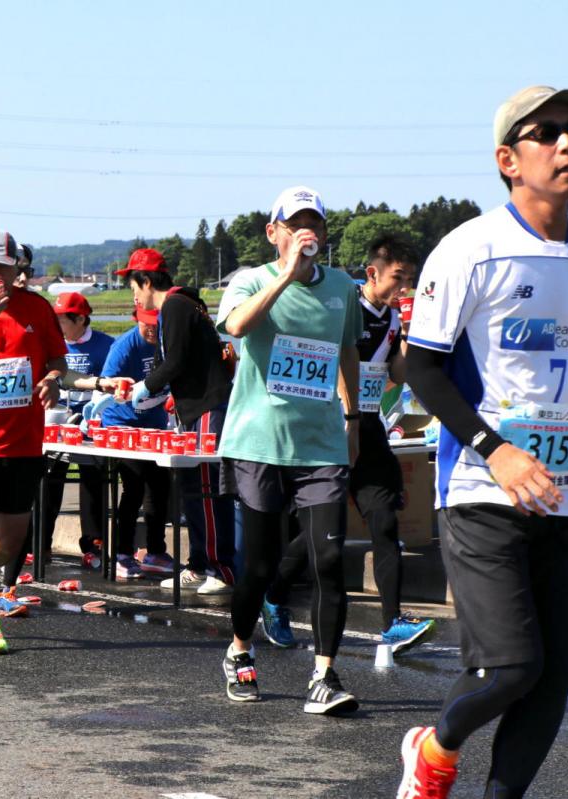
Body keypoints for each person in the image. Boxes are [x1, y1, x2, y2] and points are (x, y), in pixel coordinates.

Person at [396, 85, 568, 799]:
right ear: (507, 158)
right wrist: (496, 448)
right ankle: (433, 745)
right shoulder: (470, 249)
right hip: (481, 486)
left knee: (553, 675)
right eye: (546, 131)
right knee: (511, 667)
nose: (567, 143)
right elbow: (420, 366)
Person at [215, 186, 363, 715]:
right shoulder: (251, 280)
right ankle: (238, 650)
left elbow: (348, 349)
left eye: (314, 225)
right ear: (273, 232)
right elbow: (235, 327)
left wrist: (353, 417)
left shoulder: (343, 287)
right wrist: (285, 277)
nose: (307, 233)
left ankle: (323, 674)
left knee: (327, 558)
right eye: (294, 224)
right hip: (259, 440)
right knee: (257, 565)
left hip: (320, 442)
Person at [0, 228, 116, 654]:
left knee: (12, 539)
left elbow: (56, 358)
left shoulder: (35, 307)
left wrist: (54, 378)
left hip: (23, 438)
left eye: (5, 265)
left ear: (18, 265)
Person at [262, 235, 436, 654]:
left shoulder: (393, 318)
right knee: (322, 532)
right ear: (373, 272)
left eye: (410, 280)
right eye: (399, 278)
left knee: (385, 522)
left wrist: (411, 335)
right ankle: (273, 596)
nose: (404, 288)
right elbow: (340, 362)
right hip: (336, 425)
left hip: (371, 425)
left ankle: (393, 622)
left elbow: (395, 374)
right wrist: (349, 417)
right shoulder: (346, 306)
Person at [122, 247, 237, 595]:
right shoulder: (184, 304)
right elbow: (182, 362)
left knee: (206, 490)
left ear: (145, 281)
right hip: (194, 406)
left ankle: (223, 567)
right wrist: (158, 391)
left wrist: (146, 387)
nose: (136, 296)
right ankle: (200, 564)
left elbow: (175, 362)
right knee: (191, 490)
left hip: (206, 407)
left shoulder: (174, 305)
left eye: (134, 288)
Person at [98, 306, 175, 579]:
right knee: (133, 486)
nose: (152, 330)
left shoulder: (168, 344)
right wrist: (122, 388)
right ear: (137, 321)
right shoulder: (125, 345)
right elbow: (107, 381)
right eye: (147, 325)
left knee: (160, 485)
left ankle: (155, 551)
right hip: (121, 424)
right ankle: (122, 553)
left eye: (157, 325)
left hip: (153, 424)